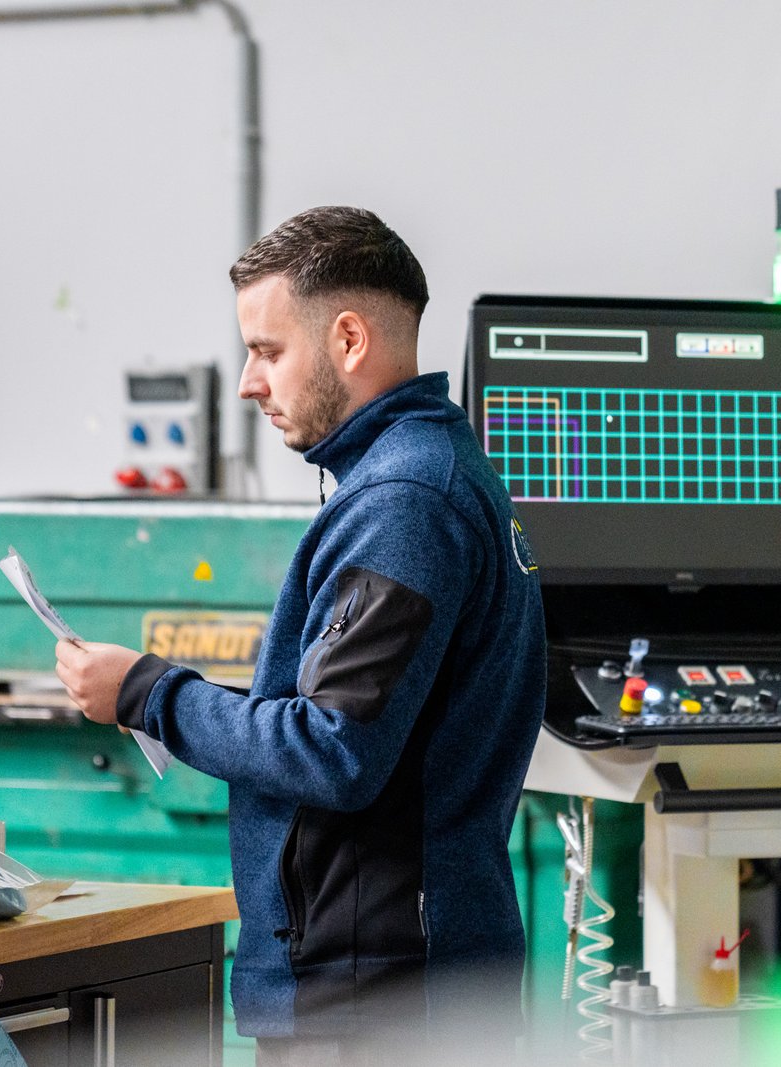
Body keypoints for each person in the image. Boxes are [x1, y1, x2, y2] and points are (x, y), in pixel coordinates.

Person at [54, 206, 545, 1065]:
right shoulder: (429, 473)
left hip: (378, 1002)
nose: (248, 381)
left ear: (348, 338)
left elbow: (332, 751)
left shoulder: (405, 502)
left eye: (268, 350)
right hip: (407, 985)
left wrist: (148, 692)